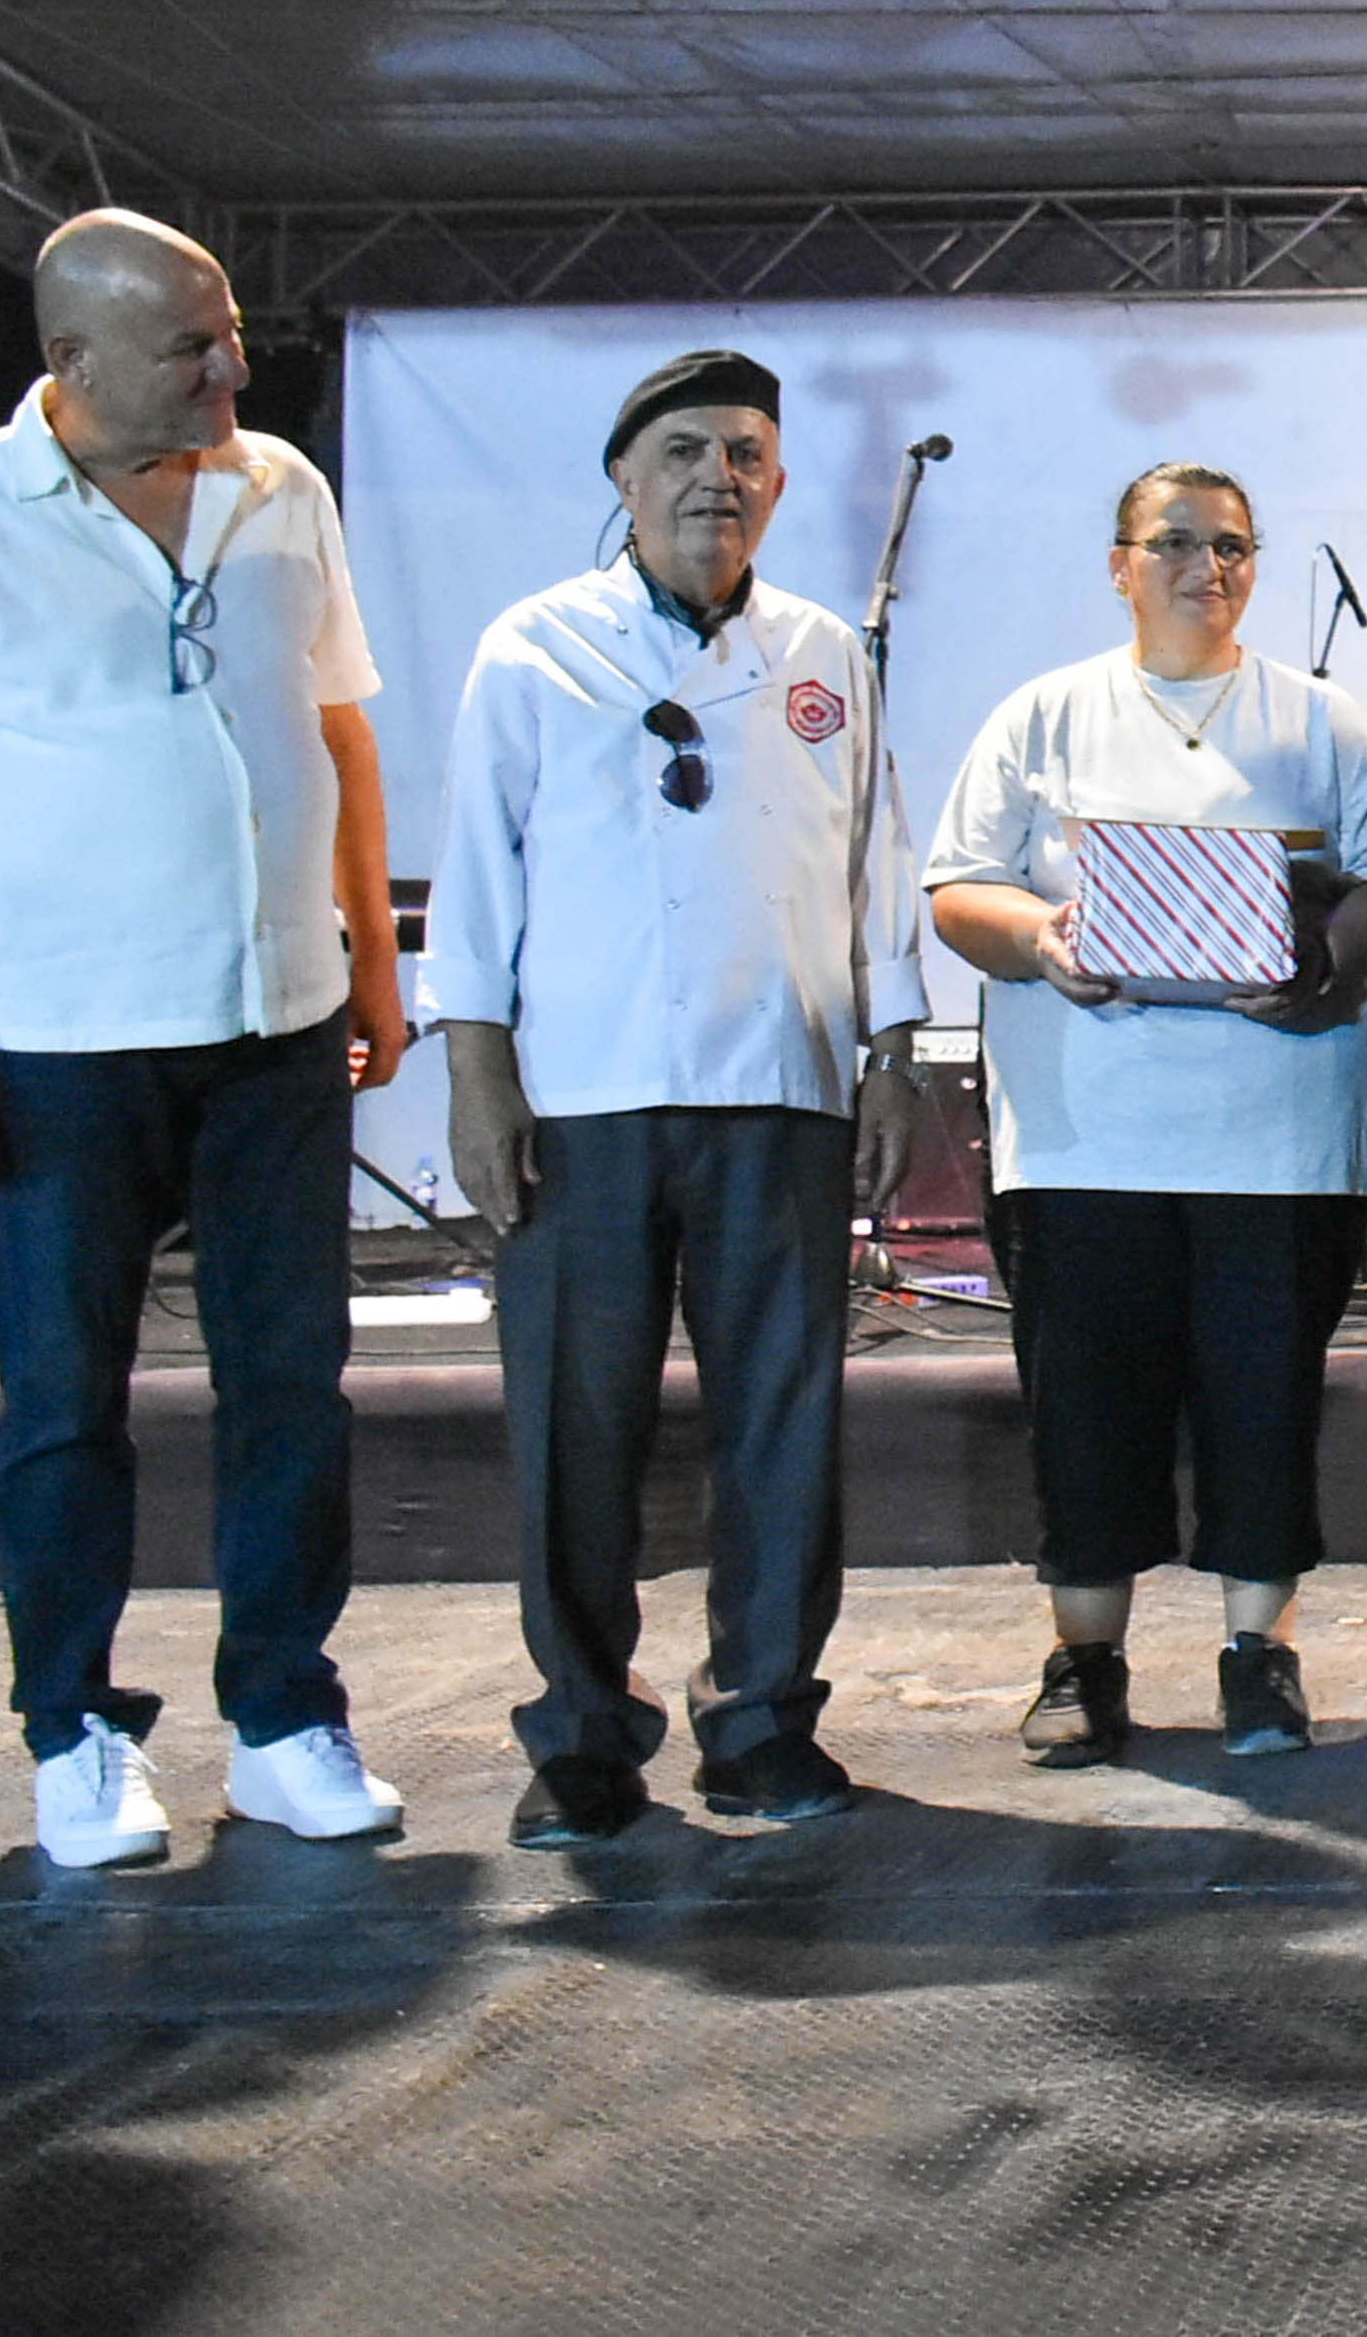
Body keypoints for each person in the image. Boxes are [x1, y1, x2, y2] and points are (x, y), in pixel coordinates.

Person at [0, 208, 414, 1866]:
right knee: (65, 1402)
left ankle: (285, 1715)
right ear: (70, 360)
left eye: (228, 331)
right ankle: (73, 1730)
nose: (232, 365)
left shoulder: (279, 487)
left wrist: (372, 961)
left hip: (279, 1021)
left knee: (290, 1387)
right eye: (190, 346)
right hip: (68, 1043)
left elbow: (336, 730)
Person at [423, 350, 928, 1845]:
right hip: (583, 1094)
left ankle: (762, 1718)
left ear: (779, 481)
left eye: (749, 453)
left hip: (782, 1080)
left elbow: (874, 861)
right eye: (689, 450)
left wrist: (891, 1054)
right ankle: (584, 1730)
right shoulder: (535, 646)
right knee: (576, 1428)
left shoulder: (824, 649)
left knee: (783, 1422)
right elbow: (479, 867)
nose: (722, 476)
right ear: (626, 477)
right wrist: (476, 1072)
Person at [924, 463, 1367, 1768]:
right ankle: (1083, 1659)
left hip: (1278, 1134)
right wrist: (1040, 937)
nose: (1208, 567)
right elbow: (959, 889)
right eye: (1176, 543)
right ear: (1120, 564)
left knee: (1265, 1407)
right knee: (1088, 1410)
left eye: (1233, 546)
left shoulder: (1317, 719)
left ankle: (1260, 1657)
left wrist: (1321, 962)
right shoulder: (1043, 716)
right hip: (1089, 1137)